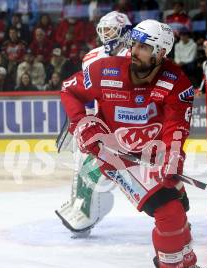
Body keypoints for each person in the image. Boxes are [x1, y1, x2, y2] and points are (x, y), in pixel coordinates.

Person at [60, 19, 207, 268]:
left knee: (180, 203)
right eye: (134, 43)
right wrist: (82, 124)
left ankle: (185, 263)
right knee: (168, 210)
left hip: (153, 153)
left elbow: (176, 126)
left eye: (144, 47)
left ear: (161, 53)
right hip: (117, 156)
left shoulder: (176, 82)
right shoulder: (105, 70)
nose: (134, 51)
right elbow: (69, 90)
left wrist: (173, 159)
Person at [55, 11, 132, 238]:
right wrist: (78, 123)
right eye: (103, 29)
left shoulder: (136, 55)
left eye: (110, 29)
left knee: (94, 170)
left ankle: (178, 210)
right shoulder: (93, 56)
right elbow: (83, 92)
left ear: (124, 31)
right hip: (101, 121)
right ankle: (80, 205)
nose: (105, 34)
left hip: (128, 126)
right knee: (80, 162)